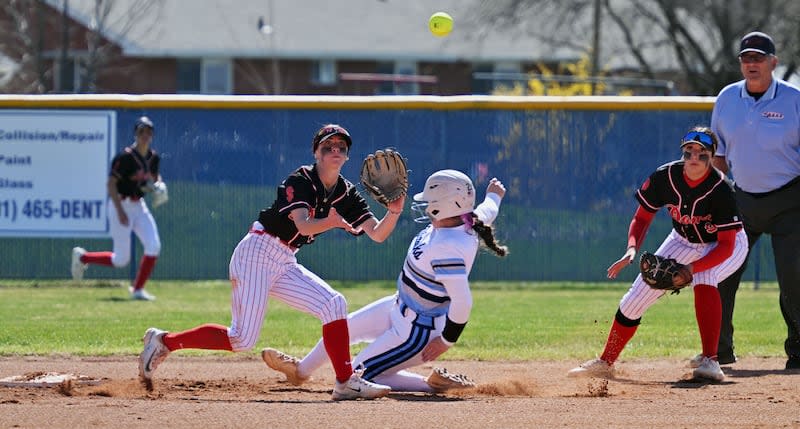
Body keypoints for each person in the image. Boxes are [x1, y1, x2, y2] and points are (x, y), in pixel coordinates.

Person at [137, 124, 405, 401]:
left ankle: (344, 381)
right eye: (328, 146)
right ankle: (164, 342)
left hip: (284, 259)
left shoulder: (345, 193)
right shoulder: (300, 180)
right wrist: (332, 222)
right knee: (242, 339)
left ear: (347, 155)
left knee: (334, 304)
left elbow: (377, 234)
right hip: (257, 251)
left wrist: (394, 212)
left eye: (341, 147)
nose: (335, 150)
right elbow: (303, 226)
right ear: (316, 153)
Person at [261, 171, 507, 393]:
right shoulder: (466, 221)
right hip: (397, 305)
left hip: (417, 331)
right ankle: (300, 372)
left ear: (442, 207)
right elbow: (488, 209)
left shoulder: (449, 248)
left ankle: (432, 385)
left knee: (356, 375)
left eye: (429, 202)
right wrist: (494, 196)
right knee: (341, 329)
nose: (425, 206)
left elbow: (462, 302)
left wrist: (445, 341)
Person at [568, 126, 748, 382]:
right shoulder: (665, 177)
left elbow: (726, 246)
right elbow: (641, 219)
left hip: (724, 245)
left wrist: (690, 270)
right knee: (635, 298)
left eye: (702, 152)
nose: (694, 157)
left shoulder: (721, 189)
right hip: (683, 240)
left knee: (705, 278)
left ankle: (711, 361)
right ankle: (605, 362)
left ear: (712, 155)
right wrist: (631, 249)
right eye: (689, 152)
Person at [711, 31, 800, 370]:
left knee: (794, 277)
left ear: (773, 63)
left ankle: (799, 352)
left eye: (759, 57)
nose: (752, 63)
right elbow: (718, 156)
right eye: (746, 57)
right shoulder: (727, 98)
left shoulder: (794, 99)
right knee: (721, 272)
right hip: (741, 198)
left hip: (790, 199)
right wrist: (715, 201)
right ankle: (717, 350)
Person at [71, 116, 165, 301]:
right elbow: (111, 184)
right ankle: (83, 258)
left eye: (148, 132)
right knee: (121, 260)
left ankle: (137, 290)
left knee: (154, 245)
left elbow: (154, 177)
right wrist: (120, 211)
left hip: (139, 205)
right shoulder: (125, 157)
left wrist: (159, 185)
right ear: (135, 134)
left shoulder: (153, 157)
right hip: (120, 204)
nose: (145, 135)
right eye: (141, 132)